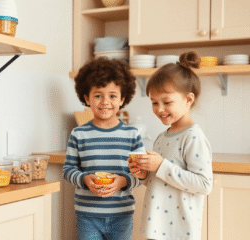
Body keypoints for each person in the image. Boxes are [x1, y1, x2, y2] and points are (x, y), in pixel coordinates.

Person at [128, 51, 213, 239]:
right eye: (154, 102)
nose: (159, 109)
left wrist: (160, 166)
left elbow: (204, 185)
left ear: (188, 99)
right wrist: (144, 176)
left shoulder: (193, 137)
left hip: (179, 232)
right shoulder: (161, 137)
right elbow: (160, 181)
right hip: (156, 227)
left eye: (167, 102)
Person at [63, 57, 146, 240]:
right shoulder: (78, 134)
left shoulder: (132, 134)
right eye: (98, 95)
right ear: (87, 98)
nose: (105, 101)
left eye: (112, 95)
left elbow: (141, 174)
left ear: (122, 99)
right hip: (87, 215)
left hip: (122, 214)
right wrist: (85, 179)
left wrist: (122, 182)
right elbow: (68, 170)